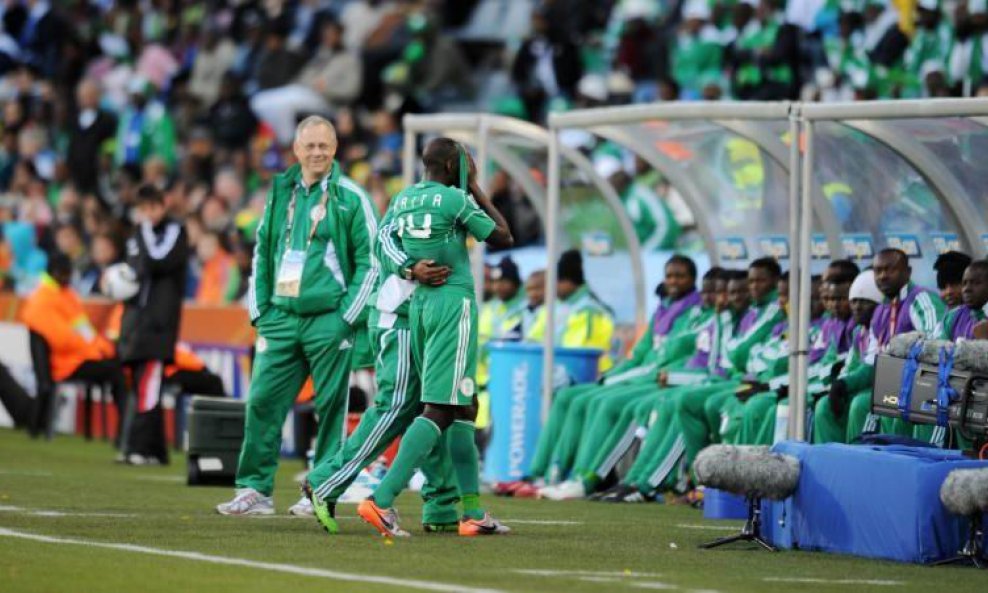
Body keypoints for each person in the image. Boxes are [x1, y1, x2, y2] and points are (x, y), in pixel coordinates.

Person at [217, 116, 377, 515]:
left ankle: (321, 490)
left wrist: (346, 317)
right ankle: (254, 489)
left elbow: (370, 263)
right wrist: (261, 312)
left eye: (324, 145)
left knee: (331, 408)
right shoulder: (280, 192)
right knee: (262, 402)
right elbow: (262, 250)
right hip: (281, 318)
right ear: (296, 150)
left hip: (329, 317)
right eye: (310, 146)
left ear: (336, 148)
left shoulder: (350, 196)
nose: (317, 153)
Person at [353, 137, 513, 537]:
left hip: (420, 305)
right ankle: (382, 500)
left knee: (463, 406)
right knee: (440, 409)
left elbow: (381, 241)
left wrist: (409, 268)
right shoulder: (455, 200)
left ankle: (470, 512)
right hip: (452, 305)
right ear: (452, 165)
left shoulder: (404, 198)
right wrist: (473, 185)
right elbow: (503, 235)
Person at [303, 203, 460, 535]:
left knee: (433, 408)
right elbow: (383, 240)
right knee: (397, 406)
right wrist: (409, 268)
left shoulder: (448, 202)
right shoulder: (415, 202)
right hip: (399, 315)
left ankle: (441, 506)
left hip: (424, 318)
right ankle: (324, 482)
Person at [20, 252, 128, 440]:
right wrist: (94, 350)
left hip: (79, 358)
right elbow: (63, 339)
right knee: (116, 373)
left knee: (116, 366)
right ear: (54, 273)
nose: (69, 278)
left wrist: (101, 348)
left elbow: (83, 329)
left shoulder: (67, 295)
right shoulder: (42, 300)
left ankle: (125, 431)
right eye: (65, 274)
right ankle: (125, 431)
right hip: (66, 363)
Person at [117, 185, 188, 465]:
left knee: (148, 385)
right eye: (143, 209)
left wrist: (143, 230)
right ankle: (156, 451)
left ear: (162, 205)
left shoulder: (174, 232)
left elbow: (157, 260)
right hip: (137, 323)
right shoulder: (140, 234)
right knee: (142, 385)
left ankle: (139, 448)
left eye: (151, 209)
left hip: (158, 325)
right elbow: (133, 271)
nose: (147, 215)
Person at [813, 269, 884, 444]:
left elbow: (873, 366)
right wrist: (837, 386)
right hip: (857, 387)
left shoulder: (884, 327)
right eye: (854, 301)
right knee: (824, 405)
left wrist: (843, 384)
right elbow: (849, 367)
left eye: (865, 302)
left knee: (859, 404)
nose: (857, 307)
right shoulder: (859, 332)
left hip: (882, 391)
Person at [528, 250, 616, 373]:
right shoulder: (556, 306)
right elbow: (533, 339)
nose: (551, 287)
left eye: (556, 282)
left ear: (569, 282)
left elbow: (576, 354)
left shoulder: (588, 311)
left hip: (590, 376)